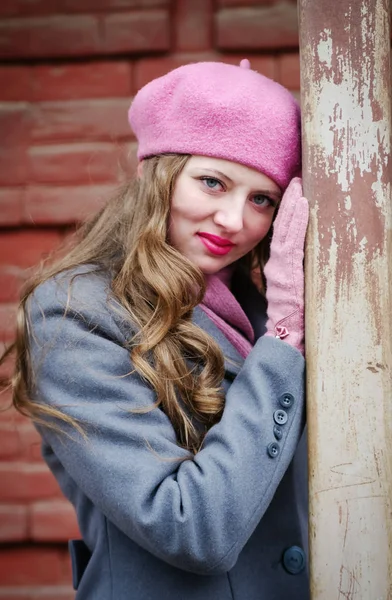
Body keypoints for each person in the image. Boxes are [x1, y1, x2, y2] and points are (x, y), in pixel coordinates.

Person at [2, 59, 309, 599]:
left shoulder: (263, 308)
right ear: (155, 174)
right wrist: (283, 340)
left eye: (262, 199)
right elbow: (191, 529)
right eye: (213, 183)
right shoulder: (76, 314)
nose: (235, 221)